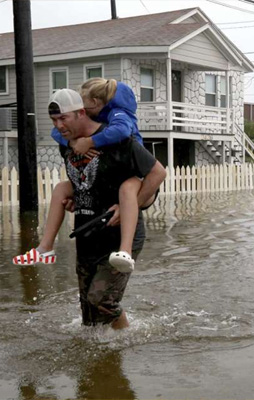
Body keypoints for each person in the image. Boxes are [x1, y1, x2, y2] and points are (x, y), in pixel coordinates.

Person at [46, 88, 166, 329]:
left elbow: (158, 173)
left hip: (118, 235)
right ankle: (99, 362)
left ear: (81, 113)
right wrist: (76, 200)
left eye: (63, 119)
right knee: (88, 315)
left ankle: (124, 341)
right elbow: (86, 181)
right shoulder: (66, 144)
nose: (58, 126)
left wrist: (131, 204)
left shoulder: (118, 139)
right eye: (54, 120)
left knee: (102, 301)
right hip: (87, 233)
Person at [13, 78, 147, 271]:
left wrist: (91, 142)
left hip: (135, 175)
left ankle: (125, 250)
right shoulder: (97, 120)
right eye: (55, 119)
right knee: (61, 188)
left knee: (127, 190)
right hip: (96, 215)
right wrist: (73, 143)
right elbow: (55, 133)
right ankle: (45, 247)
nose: (59, 124)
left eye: (83, 102)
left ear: (94, 102)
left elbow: (122, 132)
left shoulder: (119, 115)